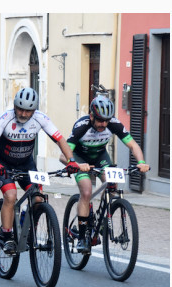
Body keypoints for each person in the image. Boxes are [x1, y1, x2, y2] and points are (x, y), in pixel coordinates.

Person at [0, 87, 79, 254]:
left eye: (28, 110)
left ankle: (26, 229)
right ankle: (6, 236)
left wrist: (71, 161)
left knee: (38, 198)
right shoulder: (5, 118)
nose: (23, 114)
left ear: (34, 110)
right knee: (11, 195)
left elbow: (60, 140)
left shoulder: (41, 118)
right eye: (20, 109)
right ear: (14, 106)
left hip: (26, 164)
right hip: (4, 164)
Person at [59, 95, 150, 253]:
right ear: (92, 116)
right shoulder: (81, 126)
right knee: (86, 191)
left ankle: (101, 223)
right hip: (80, 158)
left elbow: (133, 145)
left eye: (106, 120)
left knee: (112, 186)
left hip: (100, 156)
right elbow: (63, 156)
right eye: (100, 120)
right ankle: (81, 237)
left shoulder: (113, 124)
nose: (103, 124)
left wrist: (141, 162)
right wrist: (77, 165)